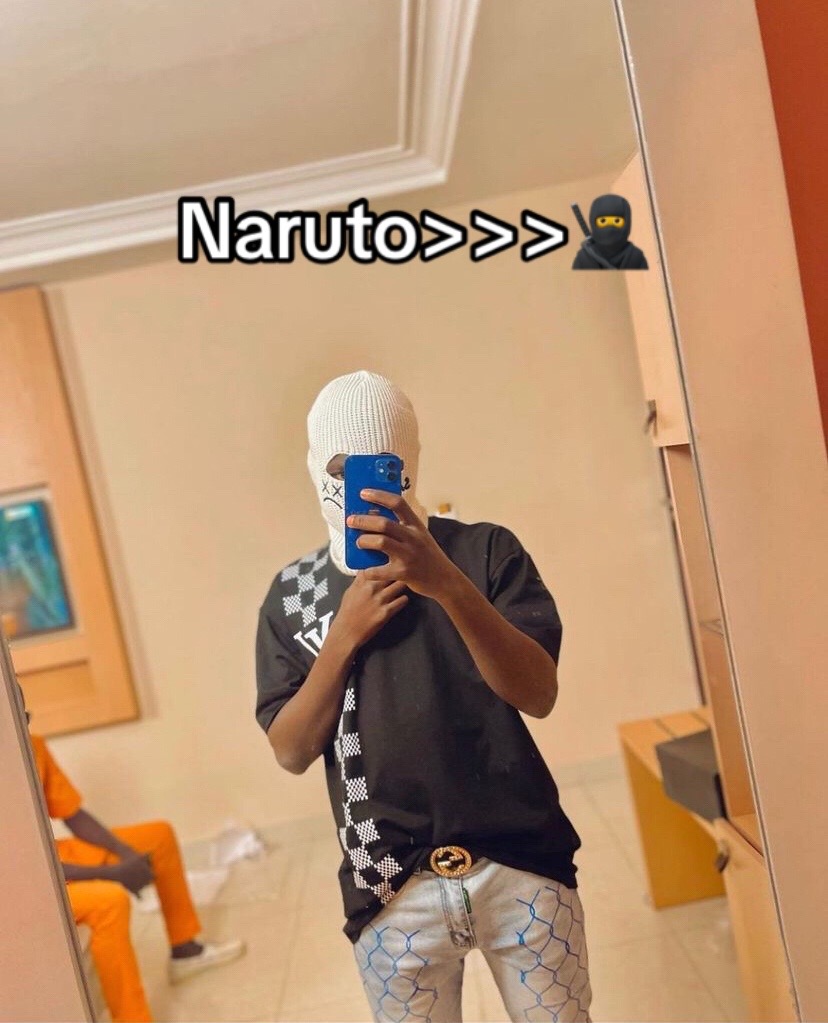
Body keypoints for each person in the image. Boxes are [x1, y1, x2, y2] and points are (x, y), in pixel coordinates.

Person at [256, 370, 592, 1022]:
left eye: (383, 468)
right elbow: (291, 750)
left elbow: (538, 692)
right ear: (314, 466)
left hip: (521, 863)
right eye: (341, 468)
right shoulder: (293, 595)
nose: (361, 486)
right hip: (388, 885)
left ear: (409, 463)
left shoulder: (484, 550)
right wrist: (342, 637)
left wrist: (446, 582)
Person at [20, 695, 245, 1023]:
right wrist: (114, 873)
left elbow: (74, 815)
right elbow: (22, 866)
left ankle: (185, 949)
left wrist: (125, 854)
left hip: (50, 855)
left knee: (157, 837)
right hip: (23, 883)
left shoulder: (31, 745)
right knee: (109, 901)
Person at [572, 193, 648, 269]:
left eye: (617, 221)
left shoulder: (636, 257)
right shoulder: (584, 258)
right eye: (603, 221)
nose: (610, 228)